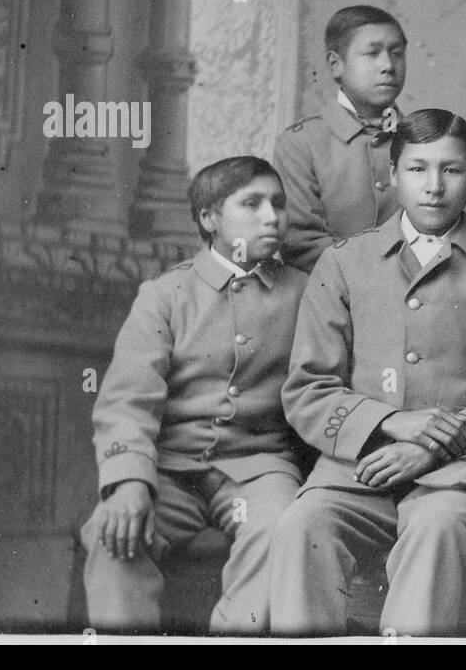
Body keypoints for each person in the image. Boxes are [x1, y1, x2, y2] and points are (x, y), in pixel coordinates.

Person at [268, 109, 466, 636]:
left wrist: (432, 446)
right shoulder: (344, 263)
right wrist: (394, 424)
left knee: (440, 530)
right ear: (393, 175)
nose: (434, 187)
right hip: (355, 469)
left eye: (453, 170)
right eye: (417, 169)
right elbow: (309, 389)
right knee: (303, 527)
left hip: (459, 474)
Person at [80, 157, 308, 634]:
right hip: (171, 471)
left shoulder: (307, 295)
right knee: (114, 535)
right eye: (252, 203)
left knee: (284, 530)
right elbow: (128, 400)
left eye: (278, 204)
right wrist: (128, 482)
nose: (272, 216)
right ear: (209, 217)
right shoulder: (165, 295)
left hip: (259, 470)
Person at [273, 5, 466, 271]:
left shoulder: (435, 140)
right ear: (335, 64)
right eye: (372, 54)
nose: (388, 66)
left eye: (396, 54)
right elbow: (302, 244)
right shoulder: (301, 143)